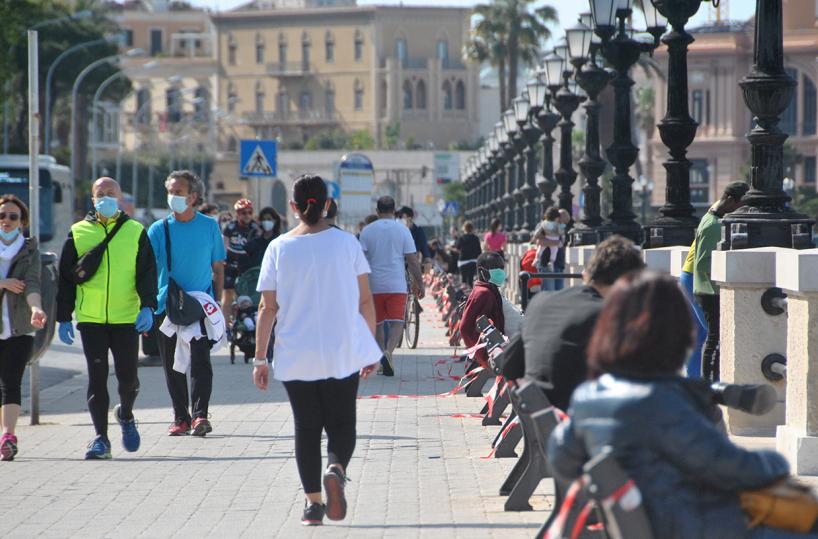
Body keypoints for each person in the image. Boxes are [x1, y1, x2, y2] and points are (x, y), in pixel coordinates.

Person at [548, 271, 817, 539]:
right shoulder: (664, 402)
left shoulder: (587, 397)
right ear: (676, 333)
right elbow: (737, 468)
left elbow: (561, 459)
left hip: (653, 521)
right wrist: (775, 461)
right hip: (694, 525)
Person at [252, 174, 380, 526]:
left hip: (295, 353)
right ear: (327, 205)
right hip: (342, 350)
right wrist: (369, 349)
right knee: (341, 423)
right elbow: (365, 300)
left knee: (306, 427)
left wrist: (260, 358)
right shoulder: (347, 244)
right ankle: (336, 468)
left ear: (292, 207)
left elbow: (268, 309)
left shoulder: (277, 247)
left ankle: (312, 505)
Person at [57, 178, 157, 459]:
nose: (105, 198)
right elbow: (65, 279)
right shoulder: (78, 232)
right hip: (91, 319)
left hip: (126, 318)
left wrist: (148, 306)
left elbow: (147, 273)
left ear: (121, 197)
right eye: (100, 194)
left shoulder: (136, 231)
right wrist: (64, 316)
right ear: (92, 199)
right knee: (97, 378)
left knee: (128, 380)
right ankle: (101, 438)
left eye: (111, 193)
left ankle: (125, 414)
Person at [502, 236, 645, 411]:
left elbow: (509, 367)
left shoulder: (540, 302)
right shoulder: (610, 317)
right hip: (583, 425)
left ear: (587, 274)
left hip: (541, 418)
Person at [148, 170, 226, 437]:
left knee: (200, 361)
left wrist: (219, 302)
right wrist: (145, 307)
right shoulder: (158, 230)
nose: (173, 197)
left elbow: (217, 266)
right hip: (166, 306)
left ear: (193, 197)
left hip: (200, 305)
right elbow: (146, 269)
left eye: (178, 192)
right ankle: (180, 417)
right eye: (170, 191)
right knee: (172, 365)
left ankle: (200, 415)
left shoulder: (209, 226)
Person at [0, 196, 47, 461]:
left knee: (11, 383)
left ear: (22, 221)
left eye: (13, 216)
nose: (6, 221)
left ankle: (8, 436)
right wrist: (3, 283)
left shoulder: (30, 251)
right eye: (2, 216)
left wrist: (36, 309)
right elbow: (11, 284)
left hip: (18, 328)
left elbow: (32, 284)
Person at [358, 196, 424, 377]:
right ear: (394, 211)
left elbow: (360, 260)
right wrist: (420, 282)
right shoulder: (402, 230)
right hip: (397, 284)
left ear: (377, 211)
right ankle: (389, 352)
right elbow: (412, 260)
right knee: (397, 323)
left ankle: (381, 358)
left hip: (374, 285)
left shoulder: (367, 231)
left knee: (378, 324)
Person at [694, 181, 749, 381]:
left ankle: (711, 382)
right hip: (710, 291)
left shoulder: (711, 218)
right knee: (714, 339)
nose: (740, 211)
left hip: (709, 290)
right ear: (730, 200)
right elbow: (702, 263)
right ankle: (708, 385)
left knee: (714, 338)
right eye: (740, 206)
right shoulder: (714, 225)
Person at [460, 251, 506, 370]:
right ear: (482, 271)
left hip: (497, 349)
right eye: (496, 268)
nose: (501, 271)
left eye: (502, 268)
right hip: (494, 353)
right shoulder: (483, 293)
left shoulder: (487, 290)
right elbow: (465, 327)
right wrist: (481, 356)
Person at [222, 198, 261, 326]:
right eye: (243, 213)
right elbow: (225, 245)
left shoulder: (255, 227)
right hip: (231, 264)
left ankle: (245, 321)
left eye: (250, 212)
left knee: (246, 295)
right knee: (227, 295)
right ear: (237, 214)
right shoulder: (230, 227)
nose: (247, 216)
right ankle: (225, 326)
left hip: (246, 266)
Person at [532, 207, 563, 292]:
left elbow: (562, 242)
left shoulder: (559, 226)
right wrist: (555, 242)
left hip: (559, 264)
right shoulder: (542, 225)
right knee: (549, 292)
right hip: (545, 264)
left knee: (559, 293)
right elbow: (539, 241)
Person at [451, 221, 482, 287]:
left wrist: (450, 249)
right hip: (473, 261)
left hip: (463, 262)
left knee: (463, 281)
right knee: (471, 280)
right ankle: (471, 294)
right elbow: (479, 251)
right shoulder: (476, 238)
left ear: (464, 228)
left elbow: (457, 249)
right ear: (472, 228)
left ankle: (464, 294)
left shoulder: (461, 238)